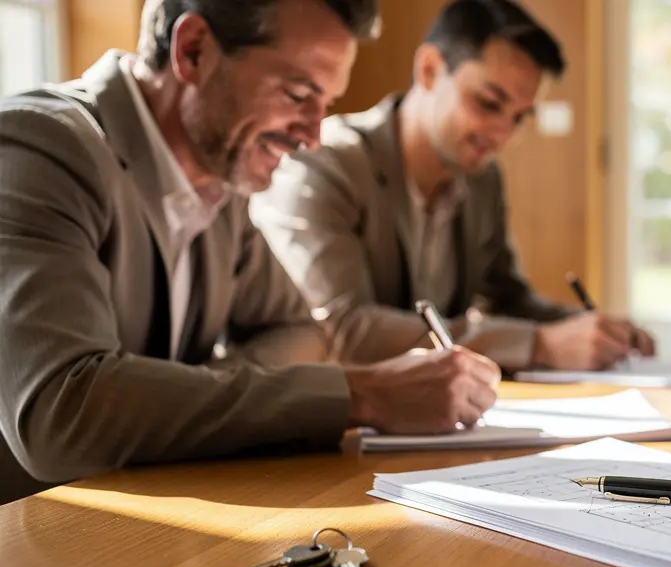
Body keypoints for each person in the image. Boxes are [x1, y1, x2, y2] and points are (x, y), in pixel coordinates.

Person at [0, 0, 501, 506]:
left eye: (324, 103)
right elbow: (60, 412)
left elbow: (300, 333)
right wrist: (361, 394)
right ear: (194, 51)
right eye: (298, 94)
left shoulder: (220, 182)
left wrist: (157, 394)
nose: (311, 137)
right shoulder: (40, 149)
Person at [251, 0, 657, 374]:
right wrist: (538, 346)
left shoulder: (482, 179)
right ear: (429, 69)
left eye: (519, 117)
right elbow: (344, 331)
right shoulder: (324, 164)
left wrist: (587, 329)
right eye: (489, 103)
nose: (502, 134)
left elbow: (510, 298)